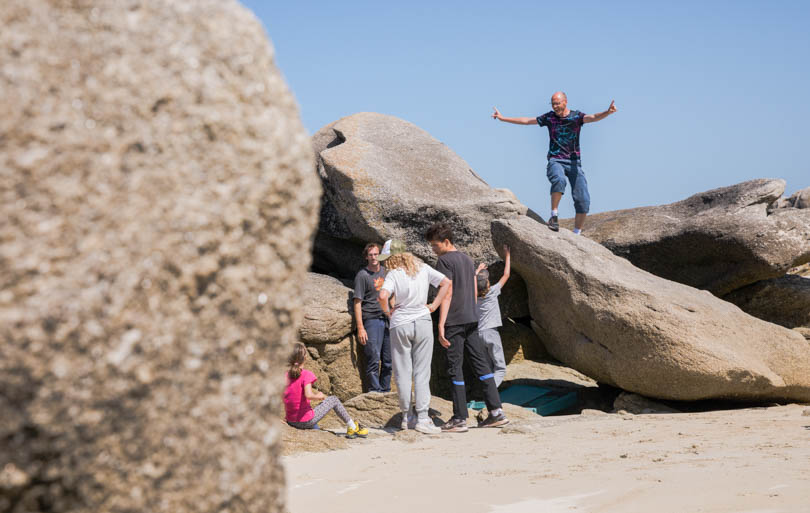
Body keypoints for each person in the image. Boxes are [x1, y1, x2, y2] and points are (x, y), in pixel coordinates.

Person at [491, 92, 617, 234]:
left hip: (574, 162)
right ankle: (554, 216)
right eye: (553, 104)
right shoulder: (549, 118)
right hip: (555, 159)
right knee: (559, 180)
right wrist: (503, 118)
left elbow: (593, 117)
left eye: (557, 103)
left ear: (565, 102)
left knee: (583, 200)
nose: (555, 106)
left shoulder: (576, 116)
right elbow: (527, 121)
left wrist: (607, 112)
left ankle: (576, 234)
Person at [426, 223, 509, 432]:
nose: (433, 250)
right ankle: (496, 412)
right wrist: (471, 311)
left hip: (454, 320)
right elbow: (473, 289)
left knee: (455, 368)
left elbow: (448, 291)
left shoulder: (444, 260)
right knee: (482, 365)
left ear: (446, 242)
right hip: (472, 319)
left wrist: (441, 324)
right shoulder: (466, 259)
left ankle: (459, 418)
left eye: (435, 245)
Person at [377, 239, 451, 435]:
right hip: (422, 319)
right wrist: (434, 306)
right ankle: (423, 418)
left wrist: (388, 312)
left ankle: (406, 417)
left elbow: (383, 296)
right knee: (422, 371)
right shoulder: (423, 268)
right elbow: (446, 283)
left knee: (402, 372)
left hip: (400, 323)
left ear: (392, 257)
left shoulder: (393, 273)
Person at [283, 342, 368, 438]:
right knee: (333, 399)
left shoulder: (285, 376)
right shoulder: (306, 374)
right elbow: (308, 395)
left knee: (313, 417)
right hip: (305, 421)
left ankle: (315, 429)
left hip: (291, 421)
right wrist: (318, 396)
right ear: (305, 357)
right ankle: (352, 427)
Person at [353, 242, 392, 393]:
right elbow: (357, 302)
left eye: (376, 254)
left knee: (389, 360)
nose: (374, 257)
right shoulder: (362, 275)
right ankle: (375, 391)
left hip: (387, 319)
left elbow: (392, 296)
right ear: (366, 257)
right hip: (371, 319)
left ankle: (386, 389)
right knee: (373, 358)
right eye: (370, 255)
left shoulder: (386, 272)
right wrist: (360, 328)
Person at [474, 245, 511, 387]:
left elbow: (471, 285)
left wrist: (477, 271)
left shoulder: (473, 296)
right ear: (488, 284)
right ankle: (491, 393)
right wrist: (507, 255)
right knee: (500, 368)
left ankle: (484, 391)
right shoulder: (493, 292)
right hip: (491, 333)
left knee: (487, 367)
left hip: (478, 334)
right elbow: (506, 275)